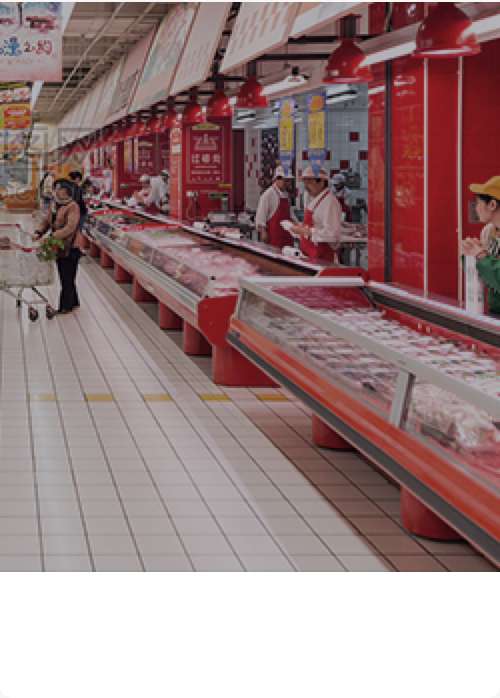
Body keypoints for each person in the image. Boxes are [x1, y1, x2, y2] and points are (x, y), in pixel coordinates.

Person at [33, 179, 81, 315]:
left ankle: (65, 307)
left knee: (67, 276)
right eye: (55, 189)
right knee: (66, 275)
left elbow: (70, 227)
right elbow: (46, 221)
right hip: (59, 245)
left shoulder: (73, 206)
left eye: (59, 189)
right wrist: (39, 232)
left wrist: (54, 236)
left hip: (71, 247)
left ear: (67, 191)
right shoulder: (55, 204)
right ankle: (74, 301)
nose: (56, 192)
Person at [462, 176, 500, 317]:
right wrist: (469, 256)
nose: (476, 208)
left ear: (492, 205)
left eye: (478, 203)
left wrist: (482, 256)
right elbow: (484, 277)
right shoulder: (488, 232)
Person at [290, 166, 342, 261]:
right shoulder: (314, 198)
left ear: (321, 181)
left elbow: (333, 235)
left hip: (323, 259)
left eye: (309, 182)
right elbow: (316, 225)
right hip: (309, 256)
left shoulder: (330, 202)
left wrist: (307, 231)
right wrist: (300, 228)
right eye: (305, 183)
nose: (305, 187)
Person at [255, 166, 296, 248]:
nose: (287, 184)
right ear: (276, 179)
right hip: (274, 235)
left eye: (288, 181)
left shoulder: (286, 195)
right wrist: (263, 231)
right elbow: (261, 215)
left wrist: (297, 226)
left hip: (287, 235)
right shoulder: (268, 194)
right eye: (285, 181)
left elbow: (290, 215)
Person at [69, 171, 87, 236]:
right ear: (77, 178)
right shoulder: (78, 188)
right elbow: (78, 200)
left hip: (69, 212)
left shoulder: (67, 187)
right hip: (78, 212)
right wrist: (84, 208)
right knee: (78, 231)